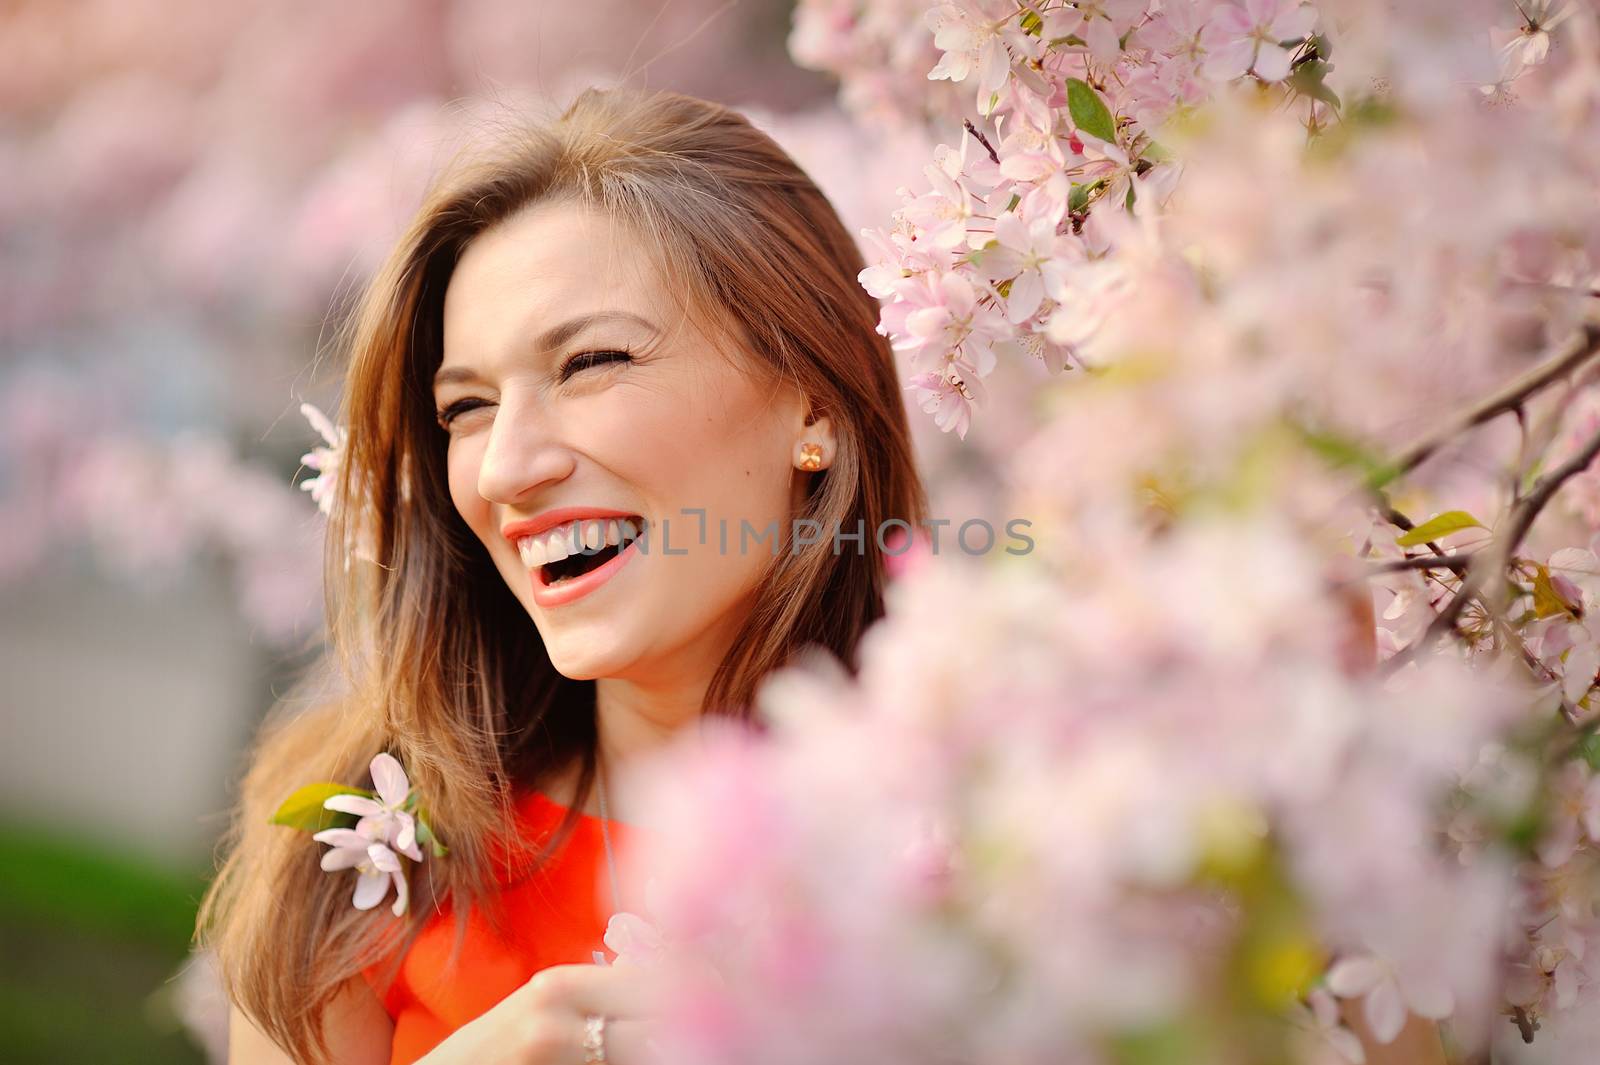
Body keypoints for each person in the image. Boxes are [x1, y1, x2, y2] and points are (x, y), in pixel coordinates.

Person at [197, 85, 928, 1065]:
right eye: (466, 409)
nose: (505, 468)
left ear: (814, 405)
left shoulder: (978, 846)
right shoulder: (354, 846)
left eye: (590, 363)